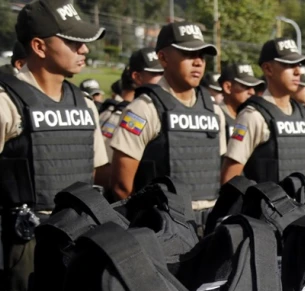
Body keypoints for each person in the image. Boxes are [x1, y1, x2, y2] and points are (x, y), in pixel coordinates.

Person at [0, 0, 108, 291]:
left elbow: (93, 171)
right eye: (73, 41)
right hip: (27, 245)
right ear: (40, 47)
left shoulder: (85, 104)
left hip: (81, 238)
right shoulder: (6, 99)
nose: (85, 50)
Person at [109, 21, 226, 218]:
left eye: (201, 56)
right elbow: (121, 186)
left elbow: (217, 171)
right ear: (163, 58)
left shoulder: (214, 110)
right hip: (163, 225)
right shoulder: (143, 109)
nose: (198, 62)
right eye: (188, 54)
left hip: (209, 222)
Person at [221, 37, 305, 185]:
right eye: (289, 64)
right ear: (268, 69)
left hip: (302, 207)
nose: (298, 71)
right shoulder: (253, 116)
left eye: (298, 64)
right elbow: (230, 179)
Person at [98, 47, 164, 159]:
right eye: (156, 73)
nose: (163, 78)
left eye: (164, 72)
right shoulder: (131, 114)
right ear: (137, 77)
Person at [218, 62, 264, 141]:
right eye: (246, 86)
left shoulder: (253, 116)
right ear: (228, 87)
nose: (252, 92)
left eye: (253, 87)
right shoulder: (216, 117)